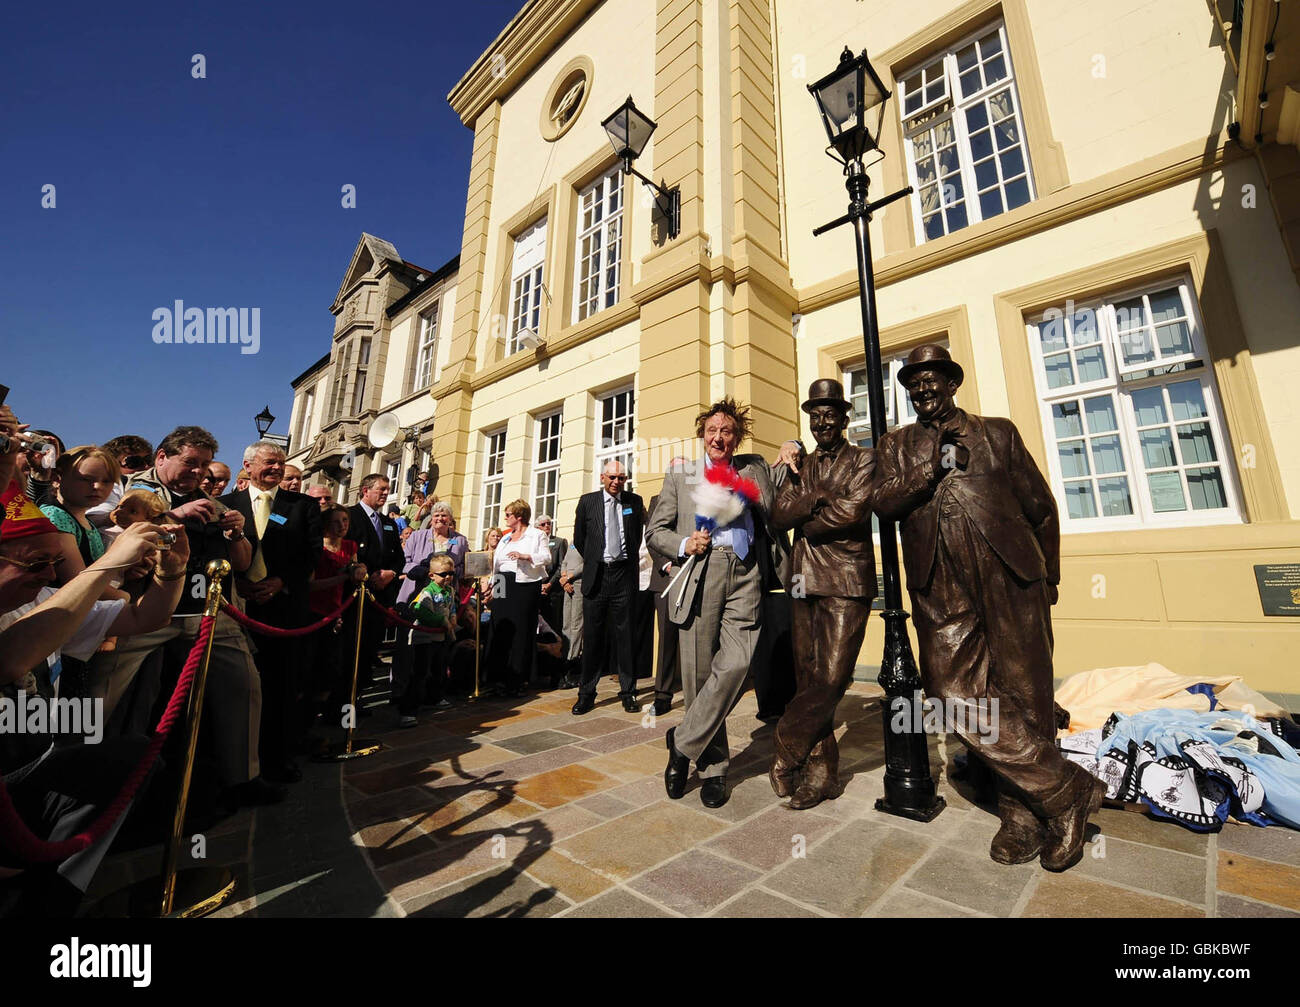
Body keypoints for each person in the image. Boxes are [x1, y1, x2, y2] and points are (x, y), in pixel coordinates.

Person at [870, 344, 1102, 871]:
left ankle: (1022, 814)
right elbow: (883, 504)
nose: (924, 389)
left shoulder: (997, 433)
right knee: (952, 695)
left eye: (934, 379)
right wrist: (929, 466)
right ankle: (1067, 789)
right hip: (939, 580)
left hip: (1011, 573)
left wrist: (1052, 574)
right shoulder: (896, 446)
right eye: (914, 382)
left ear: (952, 383)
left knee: (1025, 693)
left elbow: (1040, 507)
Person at [0, 490, 190, 917]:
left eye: (53, 562)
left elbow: (145, 618)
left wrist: (172, 572)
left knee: (134, 760)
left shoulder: (41, 599)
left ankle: (48, 896)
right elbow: (8, 660)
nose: (50, 574)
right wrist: (109, 563)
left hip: (33, 774)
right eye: (34, 563)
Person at [87, 425, 280, 811]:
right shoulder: (129, 490)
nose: (199, 473)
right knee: (102, 693)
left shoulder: (215, 503)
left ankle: (243, 776)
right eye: (191, 463)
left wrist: (236, 536)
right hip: (143, 611)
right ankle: (79, 780)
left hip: (208, 613)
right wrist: (173, 514)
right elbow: (102, 525)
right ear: (162, 457)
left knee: (243, 685)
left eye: (205, 465)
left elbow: (242, 565)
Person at [647, 399, 800, 808]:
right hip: (702, 572)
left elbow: (786, 467)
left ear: (737, 437)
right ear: (703, 435)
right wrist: (682, 543)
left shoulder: (753, 469)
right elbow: (655, 532)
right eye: (712, 431)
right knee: (698, 677)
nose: (719, 437)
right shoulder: (681, 475)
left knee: (737, 663)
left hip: (748, 572)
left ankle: (681, 742)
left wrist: (792, 442)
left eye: (727, 431)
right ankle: (712, 767)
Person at [769, 379, 876, 810]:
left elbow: (852, 512)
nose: (823, 421)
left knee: (833, 678)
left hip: (847, 580)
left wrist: (809, 512)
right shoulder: (803, 468)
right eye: (815, 415)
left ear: (845, 418)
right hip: (803, 580)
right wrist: (815, 497)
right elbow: (779, 514)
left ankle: (786, 747)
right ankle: (821, 772)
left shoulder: (865, 460)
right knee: (809, 679)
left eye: (830, 413)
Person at [222, 440, 323, 783]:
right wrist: (239, 584)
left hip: (285, 609)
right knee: (238, 688)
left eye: (281, 463)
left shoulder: (303, 506)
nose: (277, 468)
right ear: (248, 466)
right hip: (238, 608)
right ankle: (235, 762)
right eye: (269, 462)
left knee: (281, 687)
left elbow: (311, 555)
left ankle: (277, 758)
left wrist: (280, 581)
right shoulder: (227, 505)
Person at [570, 462, 645, 715]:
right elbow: (580, 539)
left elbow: (636, 536)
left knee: (626, 638)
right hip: (597, 576)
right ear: (602, 477)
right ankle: (586, 693)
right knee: (593, 638)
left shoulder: (634, 502)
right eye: (612, 477)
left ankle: (628, 691)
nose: (616, 481)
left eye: (622, 477)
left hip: (624, 575)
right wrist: (595, 560)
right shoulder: (588, 501)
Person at [345, 474, 404, 702]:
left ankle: (357, 697)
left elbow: (398, 558)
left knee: (370, 648)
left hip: (380, 597)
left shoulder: (388, 523)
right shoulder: (350, 516)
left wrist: (391, 574)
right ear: (365, 490)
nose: (385, 493)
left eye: (388, 490)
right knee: (352, 650)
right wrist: (368, 576)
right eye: (381, 489)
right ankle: (343, 707)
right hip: (356, 595)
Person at [306, 505, 363, 736]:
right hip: (314, 612)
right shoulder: (316, 546)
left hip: (338, 611)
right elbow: (310, 585)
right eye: (337, 521)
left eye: (345, 520)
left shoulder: (349, 546)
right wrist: (340, 577)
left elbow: (355, 567)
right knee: (312, 667)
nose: (342, 526)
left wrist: (360, 569)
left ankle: (330, 715)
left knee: (333, 667)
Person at [488, 499, 550, 697]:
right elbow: (496, 564)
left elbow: (547, 558)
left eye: (508, 515)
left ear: (519, 516)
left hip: (524, 584)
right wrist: (491, 585)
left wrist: (526, 556)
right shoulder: (505, 538)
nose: (505, 518)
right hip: (501, 581)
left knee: (521, 630)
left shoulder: (537, 535)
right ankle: (497, 677)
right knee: (499, 625)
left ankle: (517, 679)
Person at [85, 435, 153, 539]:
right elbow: (92, 519)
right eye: (134, 462)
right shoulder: (115, 485)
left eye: (149, 460)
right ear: (113, 465)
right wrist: (115, 516)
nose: (145, 466)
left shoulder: (155, 486)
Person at [535, 515, 568, 666]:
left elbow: (562, 566)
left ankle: (558, 663)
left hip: (553, 591)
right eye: (543, 524)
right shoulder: (534, 543)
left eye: (549, 523)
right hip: (536, 591)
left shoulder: (559, 542)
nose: (547, 526)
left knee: (555, 626)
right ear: (537, 527)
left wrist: (549, 584)